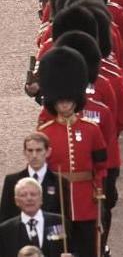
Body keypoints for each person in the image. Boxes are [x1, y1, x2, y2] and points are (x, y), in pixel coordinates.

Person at [36, 48, 107, 257]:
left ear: (76, 99)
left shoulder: (90, 129)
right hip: (56, 198)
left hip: (85, 197)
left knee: (87, 247)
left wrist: (98, 189)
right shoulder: (45, 132)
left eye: (68, 100)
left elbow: (100, 163)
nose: (65, 104)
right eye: (60, 100)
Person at [0, 134, 68, 223]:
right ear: (24, 152)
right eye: (30, 150)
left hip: (49, 234)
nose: (34, 155)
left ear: (48, 152)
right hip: (20, 234)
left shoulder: (59, 181)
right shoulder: (12, 181)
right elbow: (5, 216)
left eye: (39, 150)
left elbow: (64, 218)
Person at [0, 179, 68, 257]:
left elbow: (76, 250)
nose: (29, 198)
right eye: (23, 195)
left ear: (41, 198)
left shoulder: (59, 222)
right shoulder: (5, 230)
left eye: (33, 194)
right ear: (16, 201)